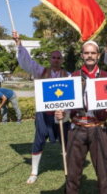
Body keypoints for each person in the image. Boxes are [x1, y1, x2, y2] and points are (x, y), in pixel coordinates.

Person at [55, 40, 107, 194]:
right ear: (82, 55)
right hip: (77, 127)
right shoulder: (72, 77)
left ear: (98, 56)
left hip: (99, 127)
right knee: (72, 172)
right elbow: (65, 106)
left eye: (93, 53)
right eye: (86, 53)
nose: (90, 56)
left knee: (104, 171)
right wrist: (62, 114)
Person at [12, 30, 69, 184]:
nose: (56, 60)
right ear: (50, 59)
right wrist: (19, 43)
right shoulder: (41, 71)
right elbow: (27, 62)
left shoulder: (68, 75)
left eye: (59, 58)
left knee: (68, 141)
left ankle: (69, 168)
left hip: (62, 115)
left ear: (62, 60)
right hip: (44, 114)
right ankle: (34, 172)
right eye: (53, 57)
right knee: (39, 141)